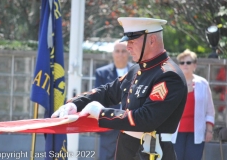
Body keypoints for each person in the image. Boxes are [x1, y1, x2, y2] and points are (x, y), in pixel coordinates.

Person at [52, 17, 188, 160]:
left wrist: (101, 113)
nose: (128, 47)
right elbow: (108, 91)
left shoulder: (169, 76)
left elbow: (146, 119)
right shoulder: (137, 70)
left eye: (132, 41)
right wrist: (75, 103)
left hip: (151, 154)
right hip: (128, 151)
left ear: (152, 40)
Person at [171, 49, 215, 160]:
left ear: (194, 65)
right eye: (182, 62)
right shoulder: (172, 82)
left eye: (188, 62)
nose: (185, 65)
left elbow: (210, 109)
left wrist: (209, 130)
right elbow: (168, 105)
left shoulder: (203, 83)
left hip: (196, 132)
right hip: (176, 132)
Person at [95, 39, 132, 160]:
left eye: (123, 51)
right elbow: (99, 98)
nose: (120, 54)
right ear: (113, 53)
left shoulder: (137, 72)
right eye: (117, 51)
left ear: (128, 53)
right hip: (109, 126)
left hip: (130, 125)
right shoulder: (102, 73)